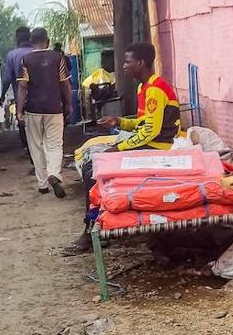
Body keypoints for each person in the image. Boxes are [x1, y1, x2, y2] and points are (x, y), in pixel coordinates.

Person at [63, 41, 183, 255]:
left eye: (128, 62)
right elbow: (143, 123)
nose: (124, 66)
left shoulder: (155, 89)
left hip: (156, 149)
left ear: (141, 62)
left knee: (95, 169)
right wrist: (118, 122)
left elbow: (151, 132)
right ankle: (97, 224)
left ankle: (91, 229)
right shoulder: (143, 87)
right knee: (93, 166)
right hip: (147, 144)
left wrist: (119, 148)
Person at [17, 27, 72, 198]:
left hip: (33, 109)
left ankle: (42, 184)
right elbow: (65, 84)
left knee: (36, 146)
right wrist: (69, 103)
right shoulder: (58, 57)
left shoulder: (25, 59)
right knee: (55, 144)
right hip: (54, 108)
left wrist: (19, 110)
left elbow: (22, 86)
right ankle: (54, 174)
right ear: (47, 41)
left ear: (31, 42)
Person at [1, 27, 35, 165]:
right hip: (41, 99)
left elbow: (7, 79)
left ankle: (30, 152)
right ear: (30, 38)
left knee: (24, 126)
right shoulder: (37, 52)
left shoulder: (12, 55)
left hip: (21, 99)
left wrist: (2, 95)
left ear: (17, 39)